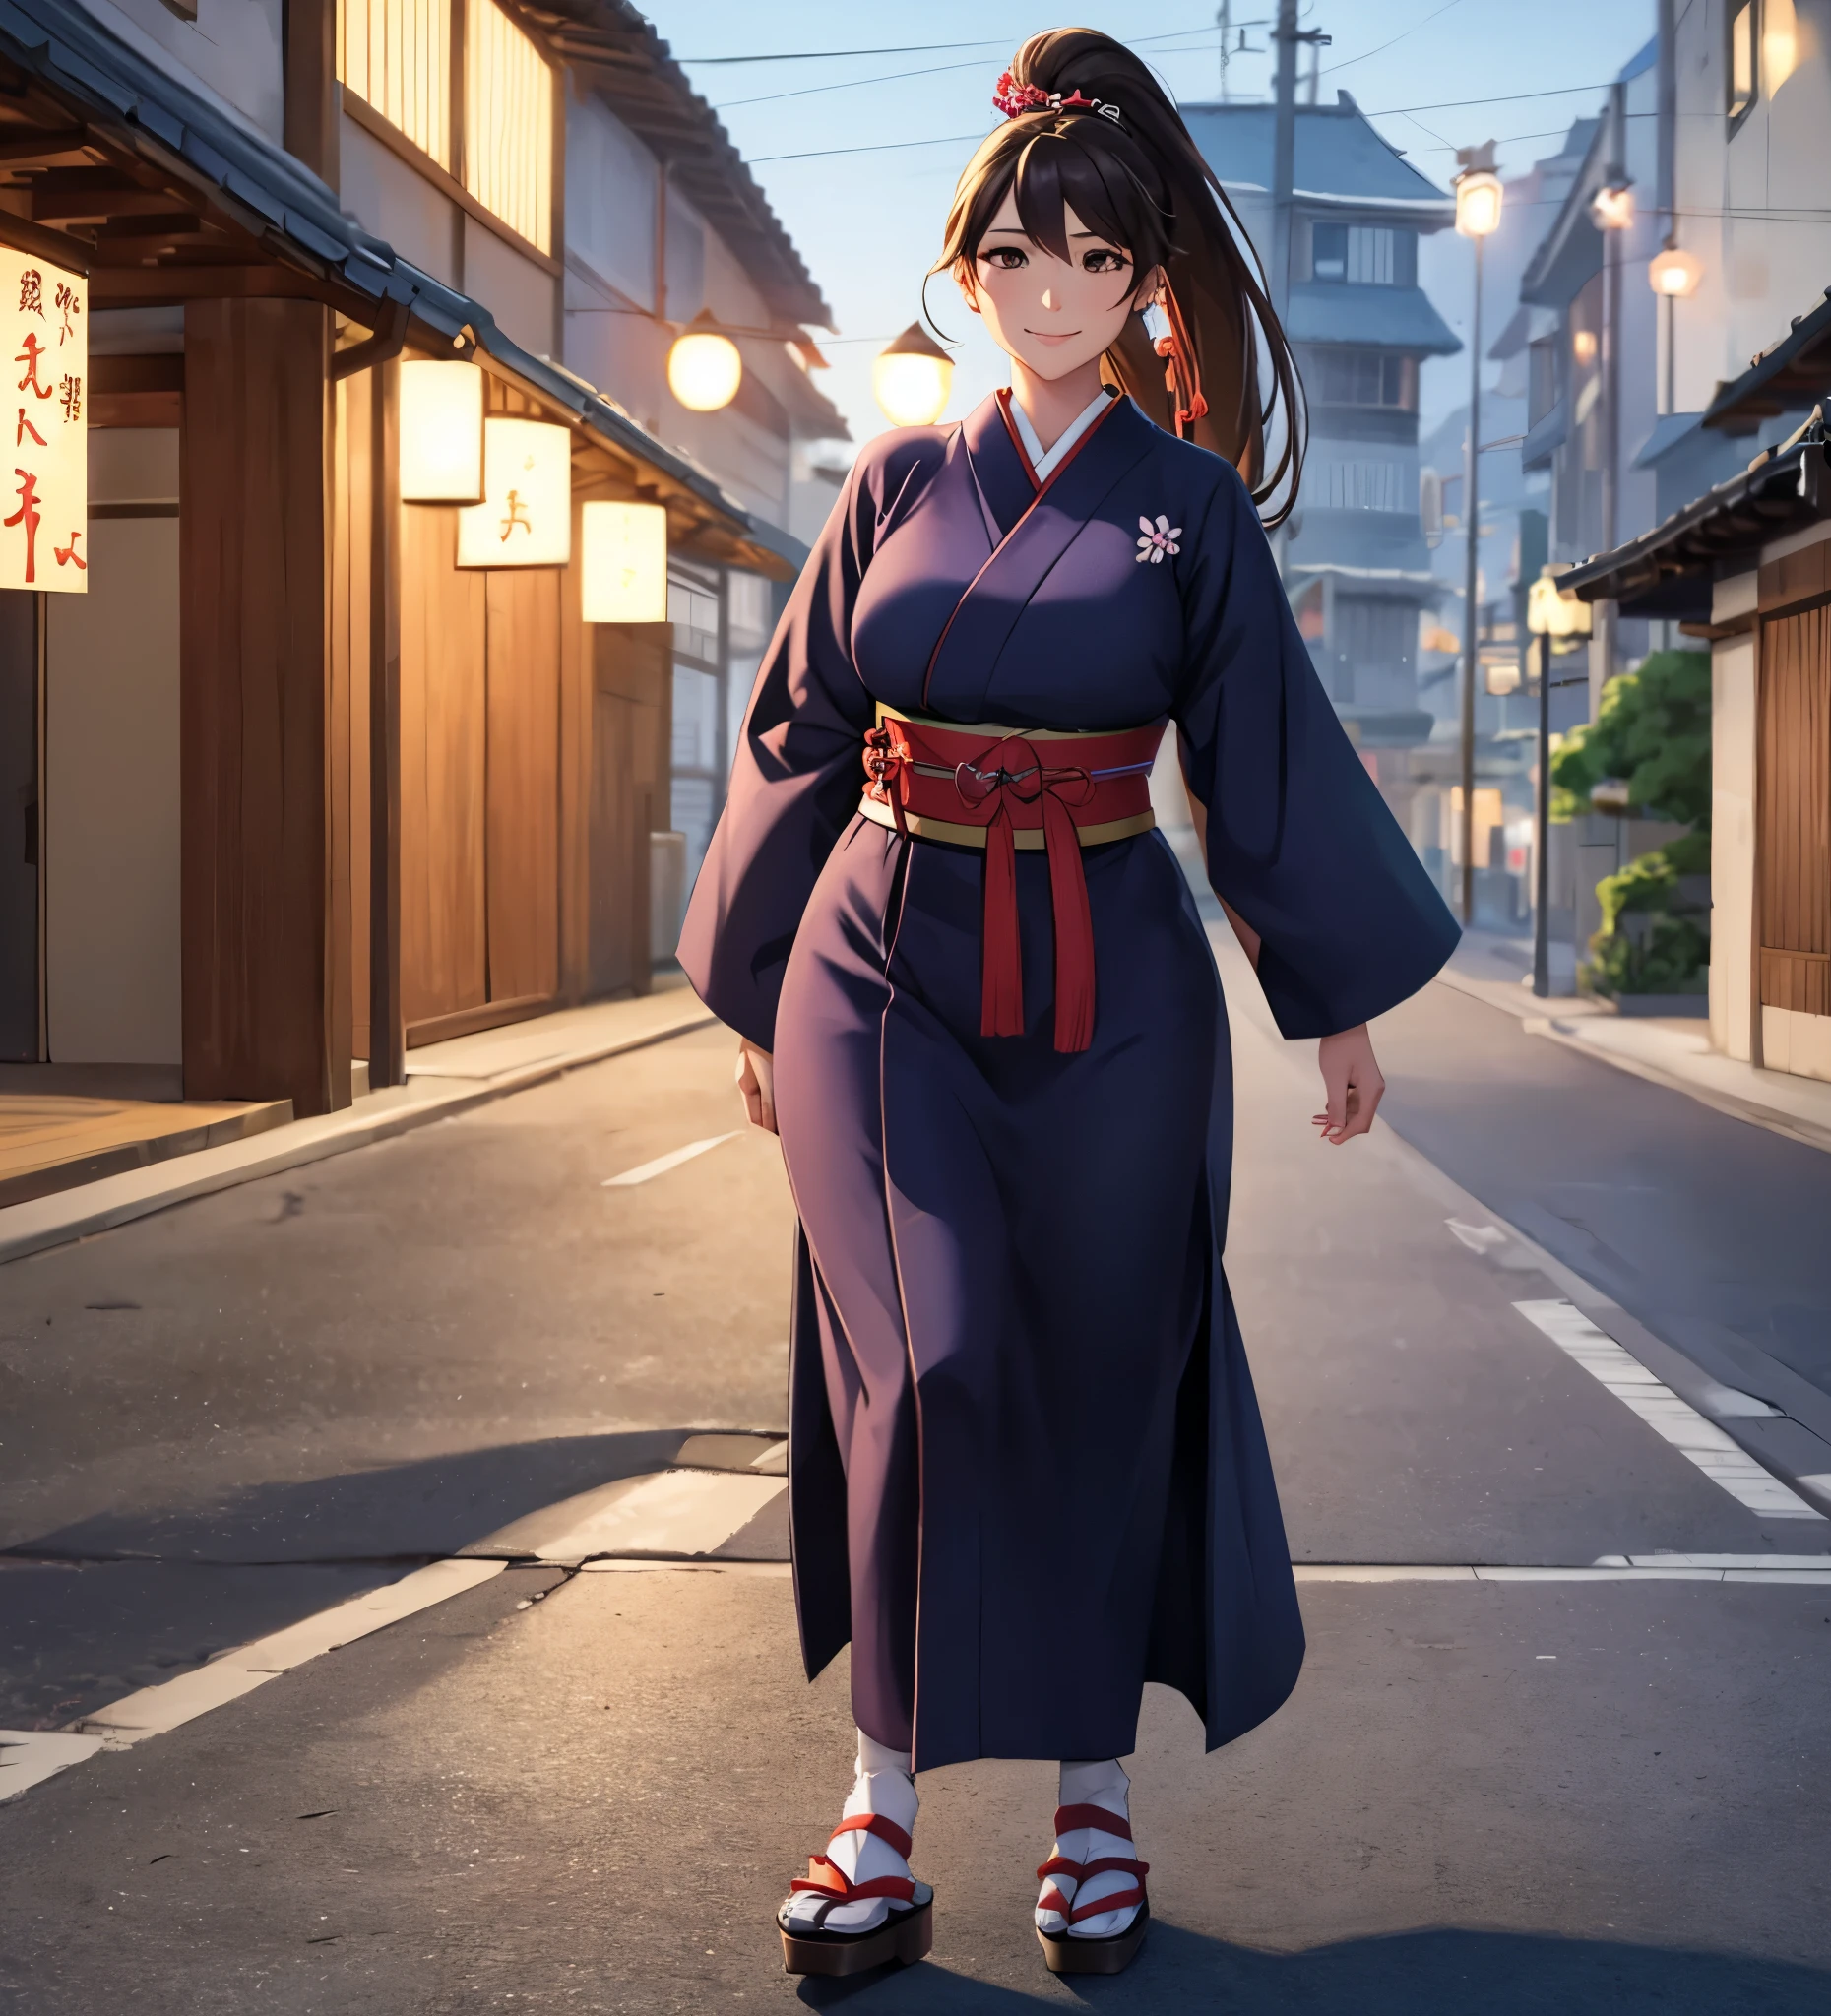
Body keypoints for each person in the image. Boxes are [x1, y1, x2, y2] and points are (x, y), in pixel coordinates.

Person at [676, 27, 1459, 1981]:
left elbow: (1257, 757)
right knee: (925, 1363)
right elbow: (796, 725)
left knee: (1104, 1366)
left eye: (1089, 262)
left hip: (1114, 960)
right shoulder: (896, 475)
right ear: (968, 276)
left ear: (1135, 280)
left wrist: (1332, 991)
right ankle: (880, 1796)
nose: (1045, 294)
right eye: (1008, 261)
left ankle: (1090, 1802)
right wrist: (765, 985)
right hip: (883, 953)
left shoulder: (1187, 506)